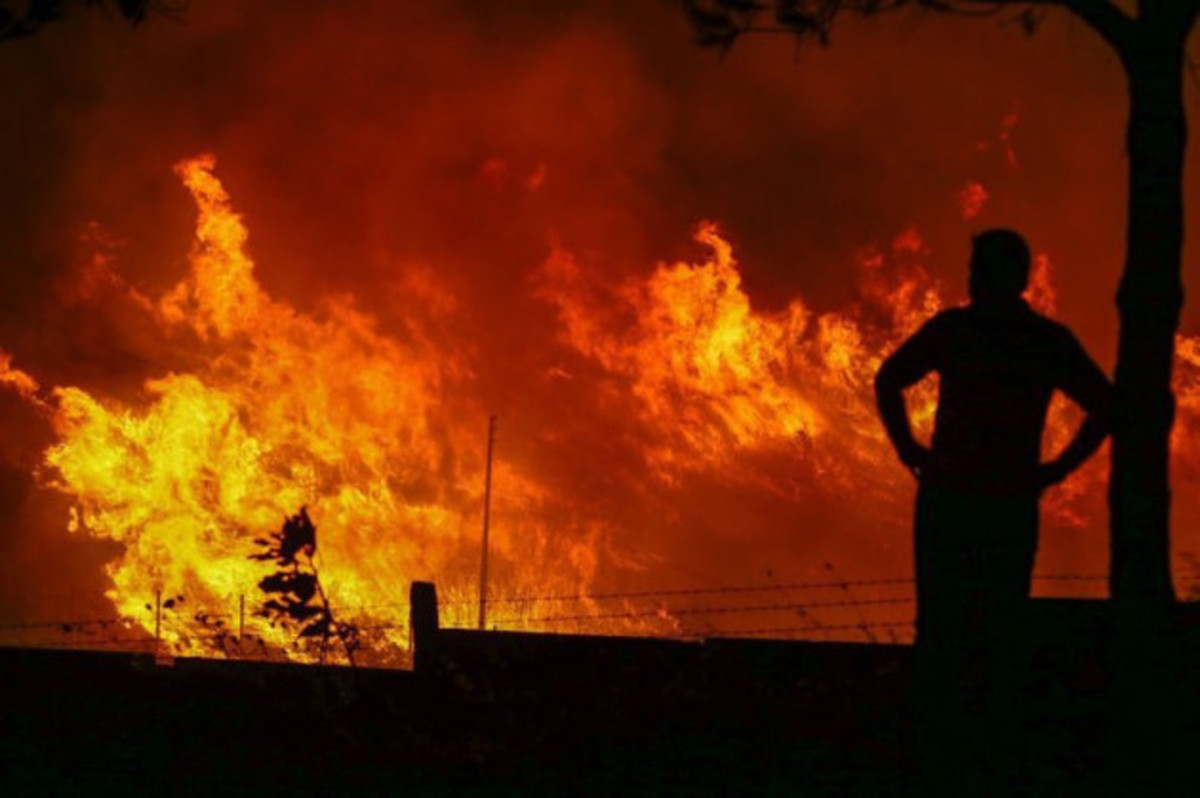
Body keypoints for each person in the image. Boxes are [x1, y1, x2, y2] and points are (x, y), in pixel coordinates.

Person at [873, 229, 1112, 789]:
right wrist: (1054, 470)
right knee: (1000, 623)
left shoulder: (958, 330)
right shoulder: (1043, 340)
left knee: (942, 625)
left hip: (952, 498)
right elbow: (1107, 406)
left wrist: (910, 450)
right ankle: (990, 754)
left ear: (982, 274)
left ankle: (941, 753)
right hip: (1007, 501)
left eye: (977, 267)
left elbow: (889, 379)